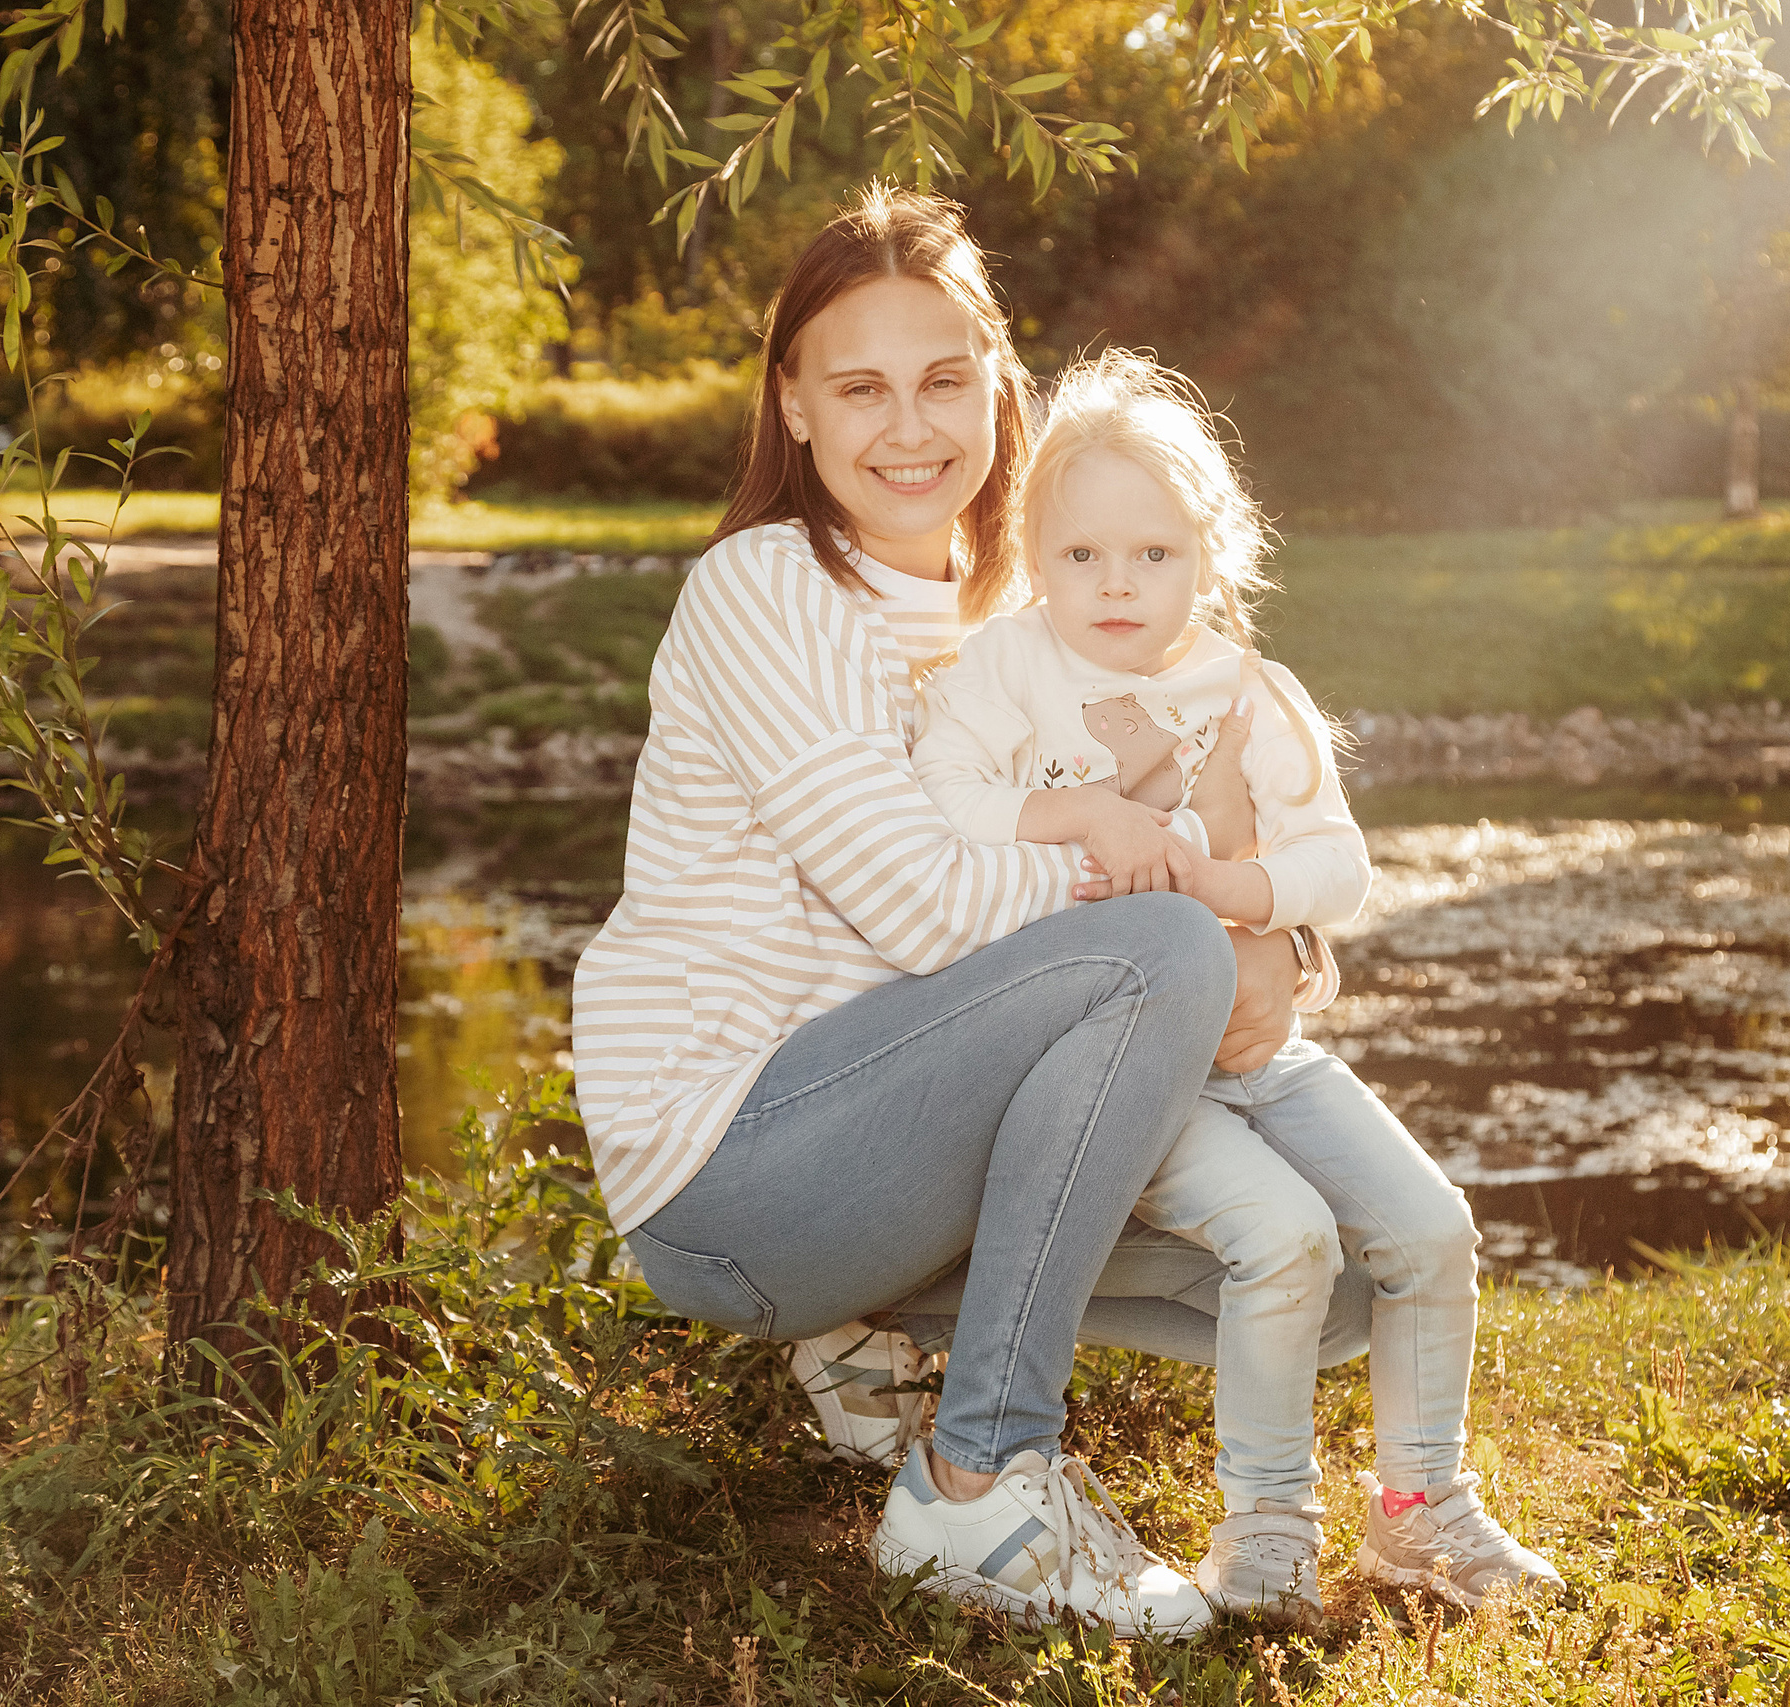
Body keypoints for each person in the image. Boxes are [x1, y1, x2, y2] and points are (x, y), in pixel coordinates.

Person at [571, 186, 1360, 1640]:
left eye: (945, 379)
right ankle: (978, 1476)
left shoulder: (1019, 613)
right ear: (793, 405)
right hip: (737, 1165)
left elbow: (1224, 804)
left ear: (1002, 387)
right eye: (859, 387)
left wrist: (1269, 938)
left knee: (1356, 1258)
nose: (910, 426)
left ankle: (873, 1347)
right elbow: (924, 907)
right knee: (1162, 949)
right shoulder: (769, 591)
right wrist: (1153, 894)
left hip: (908, 1129)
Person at [900, 349, 1562, 1623]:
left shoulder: (1252, 695)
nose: (1116, 585)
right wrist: (1085, 810)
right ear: (1035, 552)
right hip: (1129, 1074)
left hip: (1265, 1052)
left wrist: (1229, 895)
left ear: (1208, 552)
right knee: (1286, 1239)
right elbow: (943, 805)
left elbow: (1338, 866)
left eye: (1152, 555)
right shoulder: (1004, 673)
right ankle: (1266, 1527)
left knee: (1429, 1232)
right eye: (1082, 555)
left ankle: (1420, 1512)